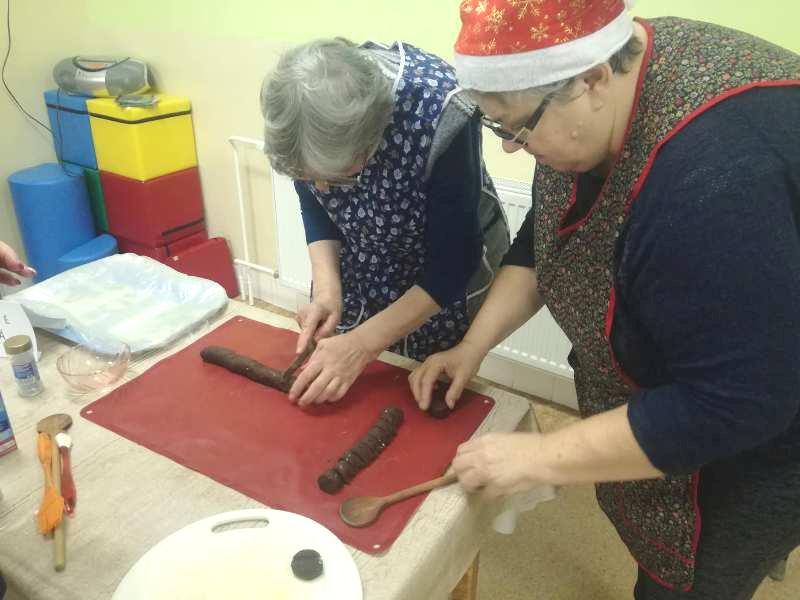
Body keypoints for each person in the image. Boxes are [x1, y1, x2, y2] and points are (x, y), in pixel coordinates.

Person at [410, 1, 800, 598]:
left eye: (517, 127)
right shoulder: (603, 79)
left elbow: (737, 405)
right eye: (498, 127)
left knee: (695, 575)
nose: (511, 149)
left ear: (591, 79)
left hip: (762, 431)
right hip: (723, 354)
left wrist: (539, 456)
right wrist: (471, 347)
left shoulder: (713, 185)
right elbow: (546, 233)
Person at [260, 38, 509, 406]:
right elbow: (316, 203)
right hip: (365, 268)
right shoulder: (301, 112)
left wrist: (361, 345)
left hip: (437, 282)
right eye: (310, 176)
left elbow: (454, 263)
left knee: (423, 405)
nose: (322, 187)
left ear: (372, 138)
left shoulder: (440, 110)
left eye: (337, 175)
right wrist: (329, 291)